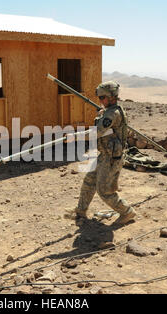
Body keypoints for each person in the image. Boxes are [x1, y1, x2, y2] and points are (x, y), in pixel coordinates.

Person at [64, 81, 136, 224]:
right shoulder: (109, 112)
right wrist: (100, 115)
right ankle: (81, 211)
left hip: (112, 158)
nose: (100, 101)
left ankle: (127, 212)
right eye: (100, 98)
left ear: (111, 97)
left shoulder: (113, 113)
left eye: (102, 98)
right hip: (104, 155)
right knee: (89, 181)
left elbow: (97, 132)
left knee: (105, 191)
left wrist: (75, 136)